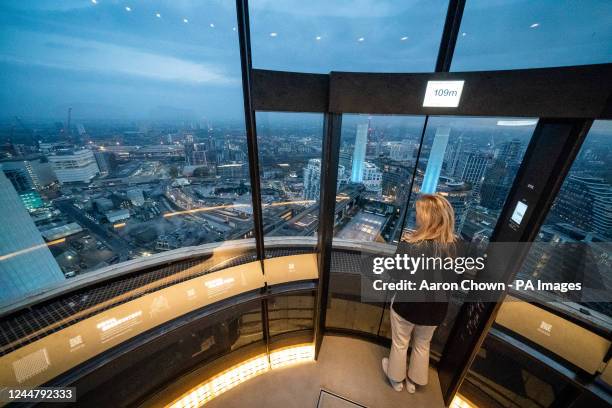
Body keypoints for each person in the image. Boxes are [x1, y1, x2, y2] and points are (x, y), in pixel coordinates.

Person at [381, 194, 458, 393]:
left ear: (427, 218)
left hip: (407, 305)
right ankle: (413, 382)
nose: (416, 216)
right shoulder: (455, 247)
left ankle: (396, 379)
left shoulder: (409, 243)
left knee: (400, 342)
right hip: (436, 309)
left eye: (418, 212)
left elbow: (395, 273)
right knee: (423, 344)